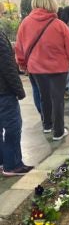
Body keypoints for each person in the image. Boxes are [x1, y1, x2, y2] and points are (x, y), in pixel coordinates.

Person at [15, 0, 69, 140]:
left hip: (36, 69)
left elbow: (19, 47)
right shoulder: (59, 25)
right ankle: (58, 131)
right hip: (58, 69)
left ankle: (47, 125)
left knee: (44, 96)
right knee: (57, 99)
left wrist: (22, 64)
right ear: (52, 3)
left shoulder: (25, 23)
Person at [0, 30, 33, 176]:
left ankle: (2, 162)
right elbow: (7, 65)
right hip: (4, 91)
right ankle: (13, 164)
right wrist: (19, 90)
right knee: (12, 127)